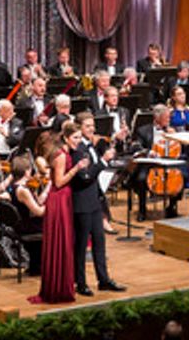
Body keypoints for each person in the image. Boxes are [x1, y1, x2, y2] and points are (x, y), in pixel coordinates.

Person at [29, 122, 89, 304]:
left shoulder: (63, 152)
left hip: (63, 198)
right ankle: (58, 289)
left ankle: (59, 285)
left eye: (80, 137)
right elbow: (59, 182)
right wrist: (77, 168)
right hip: (59, 200)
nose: (78, 141)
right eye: (75, 137)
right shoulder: (61, 155)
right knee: (61, 242)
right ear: (66, 138)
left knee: (63, 242)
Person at [72, 113, 125, 295]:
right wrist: (103, 161)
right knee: (81, 246)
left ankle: (103, 279)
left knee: (99, 242)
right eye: (87, 126)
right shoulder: (78, 149)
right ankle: (80, 283)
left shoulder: (90, 146)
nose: (92, 129)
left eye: (92, 125)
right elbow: (85, 177)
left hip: (94, 201)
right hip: (82, 203)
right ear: (79, 128)